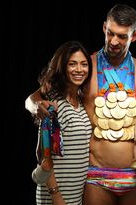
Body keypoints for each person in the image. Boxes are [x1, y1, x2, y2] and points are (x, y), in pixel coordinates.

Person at [25, 4, 136, 205]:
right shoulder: (85, 67)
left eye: (122, 36)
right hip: (96, 175)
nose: (114, 41)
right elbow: (34, 97)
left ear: (134, 36)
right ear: (104, 28)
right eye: (110, 33)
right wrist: (34, 106)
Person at [27, 40, 93, 205]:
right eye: (72, 64)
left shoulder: (81, 101)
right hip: (56, 198)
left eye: (84, 64)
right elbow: (44, 155)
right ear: (63, 67)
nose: (79, 69)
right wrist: (56, 196)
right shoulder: (53, 104)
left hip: (75, 196)